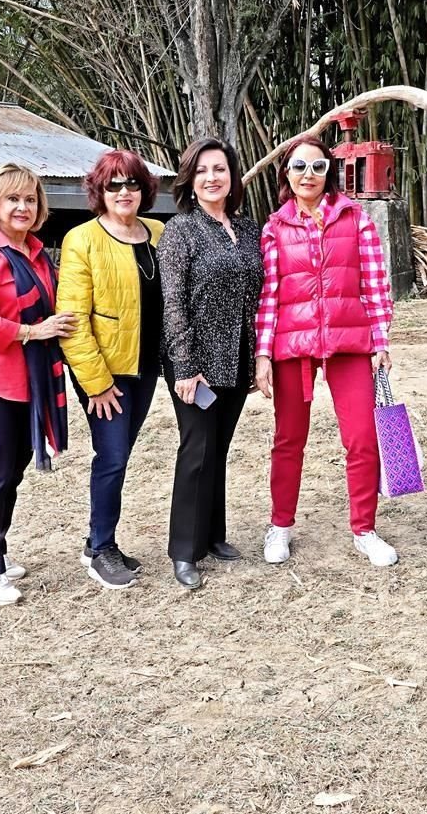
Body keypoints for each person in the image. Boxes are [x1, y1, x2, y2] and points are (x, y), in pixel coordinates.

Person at [255, 134, 398, 568]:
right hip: (293, 346)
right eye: (299, 167)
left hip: (349, 343)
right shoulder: (275, 227)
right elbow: (269, 296)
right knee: (289, 439)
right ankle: (280, 525)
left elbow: (375, 284)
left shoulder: (356, 219)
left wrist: (380, 340)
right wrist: (263, 354)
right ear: (286, 173)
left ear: (329, 172)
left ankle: (365, 528)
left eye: (317, 167)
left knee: (361, 438)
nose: (308, 175)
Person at [0, 164, 77, 606]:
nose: (22, 207)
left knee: (16, 464)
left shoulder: (39, 254)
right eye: (13, 199)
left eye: (30, 199)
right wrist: (34, 332)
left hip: (30, 377)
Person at [158, 138, 263, 589]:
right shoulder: (181, 230)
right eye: (202, 171)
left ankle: (213, 535)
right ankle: (185, 549)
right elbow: (174, 303)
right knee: (196, 450)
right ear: (190, 179)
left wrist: (259, 355)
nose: (212, 178)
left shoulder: (249, 228)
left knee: (219, 447)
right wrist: (184, 366)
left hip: (237, 357)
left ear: (232, 176)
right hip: (196, 362)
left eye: (220, 169)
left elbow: (260, 295)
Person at [56, 150, 164, 591]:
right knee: (113, 456)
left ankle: (96, 540)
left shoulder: (159, 232)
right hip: (108, 372)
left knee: (121, 455)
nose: (124, 192)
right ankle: (101, 548)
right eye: (114, 184)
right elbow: (73, 321)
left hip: (147, 367)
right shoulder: (82, 239)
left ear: (144, 190)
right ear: (99, 191)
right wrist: (96, 384)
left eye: (132, 183)